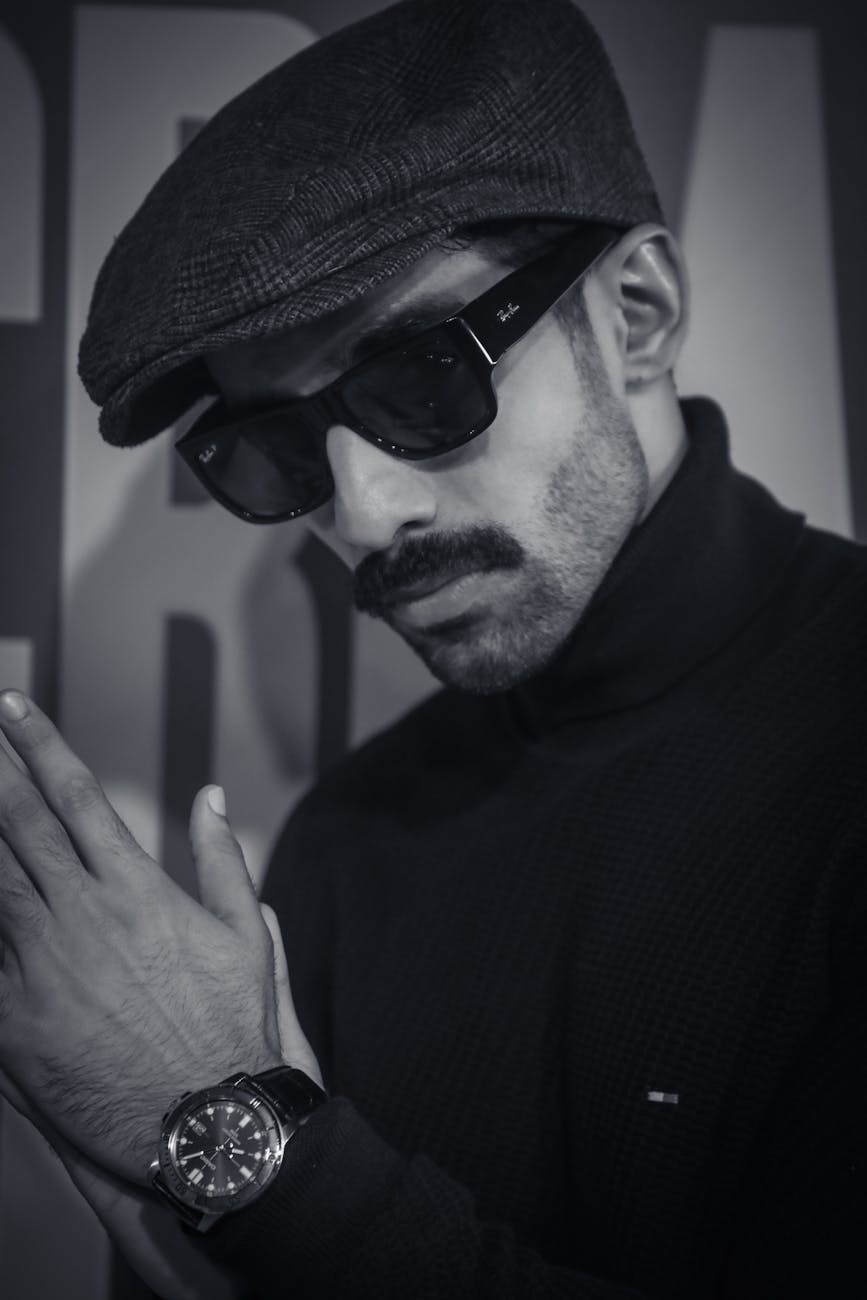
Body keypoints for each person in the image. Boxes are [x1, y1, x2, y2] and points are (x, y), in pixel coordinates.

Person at [0, 0, 864, 1296]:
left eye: (420, 379)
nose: (360, 514)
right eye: (273, 453)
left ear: (636, 314)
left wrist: (242, 1135)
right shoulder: (346, 848)